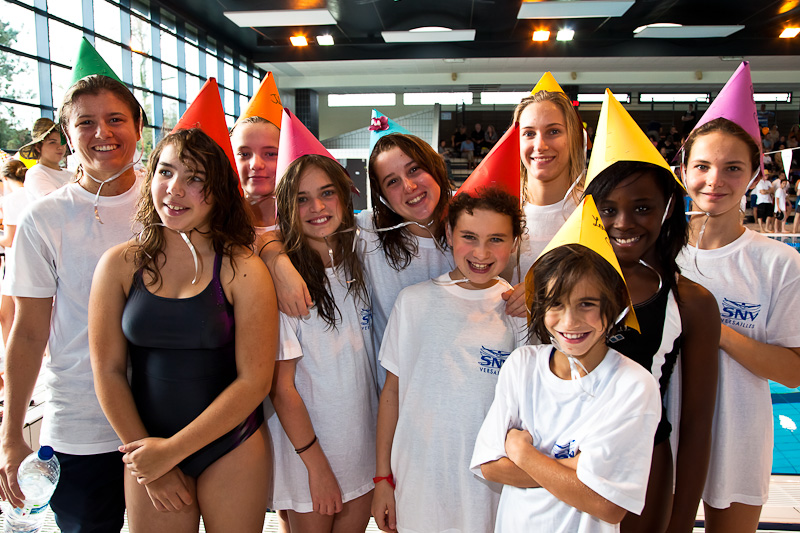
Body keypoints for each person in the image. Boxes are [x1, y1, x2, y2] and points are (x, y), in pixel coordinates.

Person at [89, 128, 276, 532]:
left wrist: (171, 451)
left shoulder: (242, 268)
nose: (174, 189)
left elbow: (255, 381)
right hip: (146, 442)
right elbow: (107, 370)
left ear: (219, 192)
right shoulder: (119, 265)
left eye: (195, 178)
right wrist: (148, 458)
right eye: (166, 172)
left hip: (231, 444)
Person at [0, 72, 143, 532]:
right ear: (66, 134)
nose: (102, 133)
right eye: (86, 123)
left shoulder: (169, 202)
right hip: (82, 424)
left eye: (115, 119)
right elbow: (28, 331)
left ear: (138, 126)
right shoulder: (45, 218)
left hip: (165, 414)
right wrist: (10, 434)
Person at [582, 90, 719, 532]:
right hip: (561, 466)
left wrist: (682, 520)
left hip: (644, 473)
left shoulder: (692, 303)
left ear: (668, 208)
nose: (624, 223)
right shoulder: (559, 288)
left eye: (642, 208)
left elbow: (696, 425)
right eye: (608, 209)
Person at [678, 62, 800, 532]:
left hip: (739, 436)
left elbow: (792, 372)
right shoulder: (659, 255)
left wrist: (717, 331)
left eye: (733, 168)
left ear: (753, 175)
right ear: (684, 170)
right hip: (661, 433)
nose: (715, 180)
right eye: (703, 166)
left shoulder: (778, 263)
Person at [471, 237, 661, 532]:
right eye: (556, 304)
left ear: (614, 306)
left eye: (586, 304)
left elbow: (609, 506)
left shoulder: (633, 385)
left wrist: (523, 454)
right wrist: (576, 469)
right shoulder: (522, 365)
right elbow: (490, 465)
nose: (570, 322)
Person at [373, 187, 527, 533]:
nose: (481, 253)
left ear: (515, 242)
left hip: (489, 490)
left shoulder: (519, 312)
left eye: (496, 239)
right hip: (419, 484)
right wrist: (382, 478)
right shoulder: (413, 302)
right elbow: (391, 394)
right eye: (469, 237)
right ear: (449, 233)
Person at [268, 154, 376, 533]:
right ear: (287, 208)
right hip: (309, 457)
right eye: (302, 199)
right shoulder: (286, 285)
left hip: (360, 448)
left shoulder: (361, 259)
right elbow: (282, 389)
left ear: (344, 198)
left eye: (327, 193)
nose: (317, 207)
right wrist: (317, 468)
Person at [511, 86, 586, 283]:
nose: (540, 146)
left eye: (553, 131)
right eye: (529, 133)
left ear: (574, 138)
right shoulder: (500, 210)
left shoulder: (594, 211)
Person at [230, 116, 280, 231]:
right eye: (244, 154)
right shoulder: (213, 224)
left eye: (270, 154)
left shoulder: (307, 221)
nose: (256, 165)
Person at [0, 160, 28, 345]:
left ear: (4, 178)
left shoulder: (11, 200)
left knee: (6, 315)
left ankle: (10, 355)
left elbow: (9, 239)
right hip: (34, 262)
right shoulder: (34, 194)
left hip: (16, 263)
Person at [17, 117, 72, 199]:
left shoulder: (71, 174)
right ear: (38, 147)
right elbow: (55, 202)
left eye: (62, 142)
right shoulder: (36, 173)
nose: (60, 147)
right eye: (52, 142)